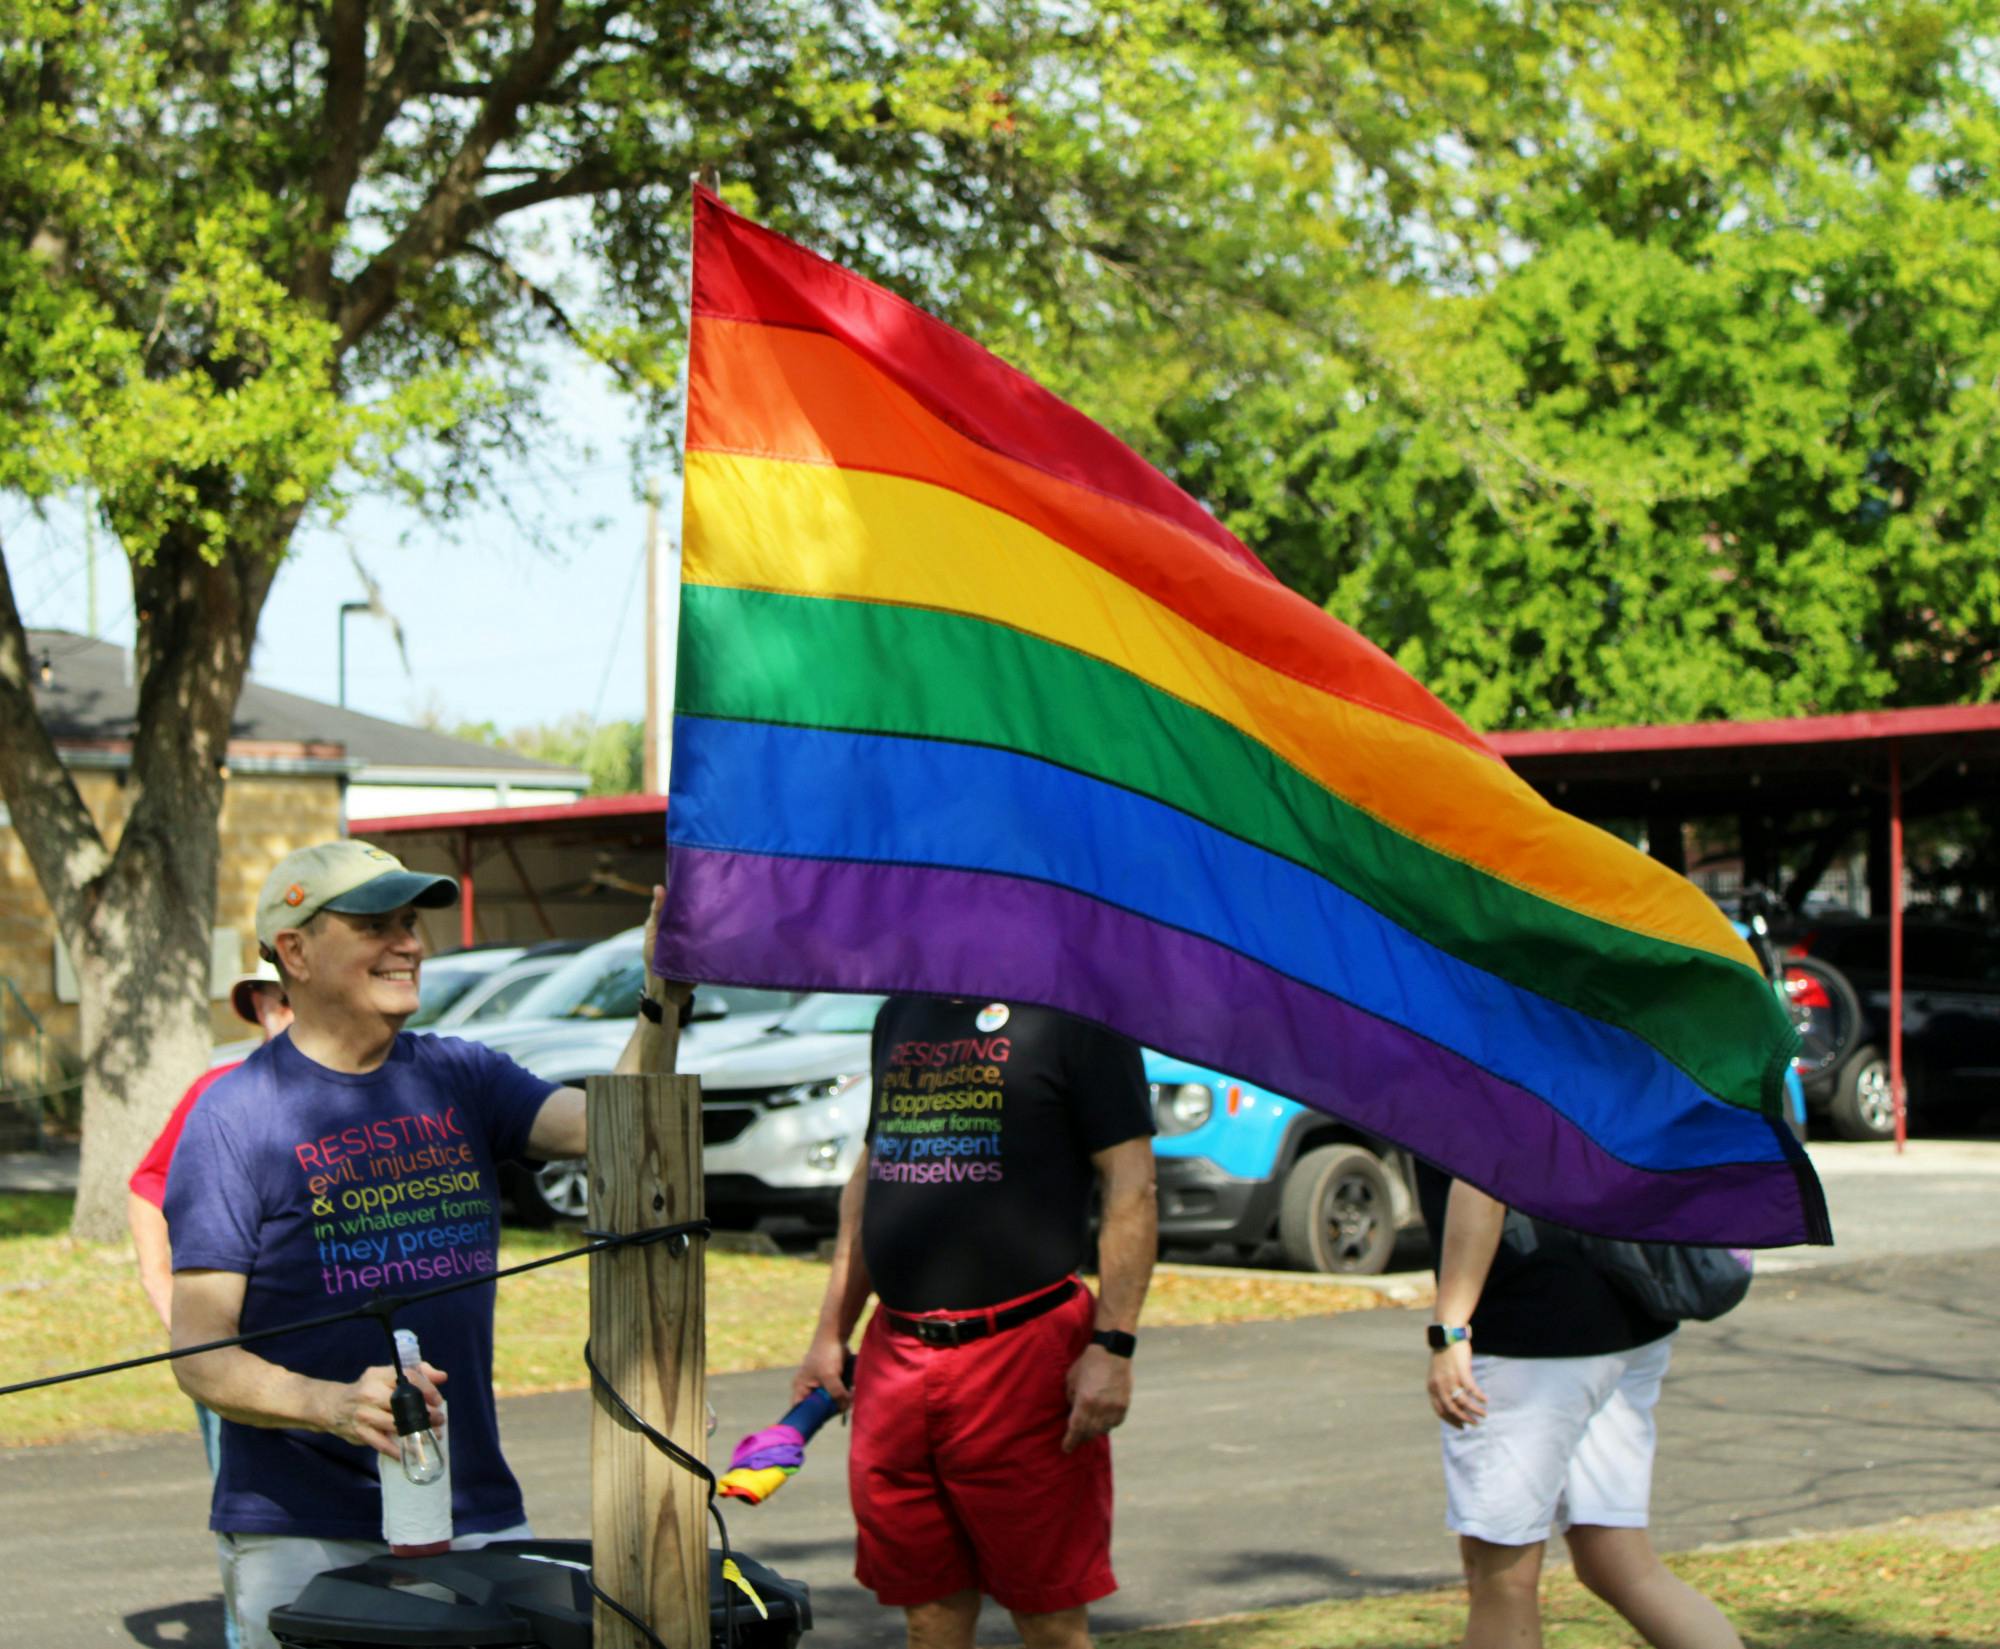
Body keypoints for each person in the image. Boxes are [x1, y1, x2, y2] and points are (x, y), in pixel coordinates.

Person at [164, 841, 678, 1649]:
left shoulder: (460, 1076)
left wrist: (663, 992)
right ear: (293, 950)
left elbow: (623, 1131)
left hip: (469, 1511)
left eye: (410, 922)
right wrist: (330, 1405)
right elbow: (199, 1354)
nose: (409, 943)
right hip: (301, 1528)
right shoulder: (232, 1118)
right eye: (375, 924)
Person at [793, 995, 1156, 1649]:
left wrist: (1113, 1342)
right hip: (897, 1357)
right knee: (927, 1612)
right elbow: (872, 1177)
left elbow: (1132, 1185)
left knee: (1048, 1617)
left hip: (1025, 1355)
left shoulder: (1079, 1012)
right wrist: (830, 1333)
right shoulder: (901, 1012)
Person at [1418, 1165, 1746, 1649]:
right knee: (1617, 1562)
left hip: (1533, 1341)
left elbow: (1483, 1182)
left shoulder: (1477, 1084)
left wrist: (1449, 1329)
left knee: (1502, 1577)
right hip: (1627, 1314)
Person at [128, 961, 295, 1649]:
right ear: (259, 1005)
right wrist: (165, 1292)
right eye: (277, 1000)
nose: (289, 1014)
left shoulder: (365, 1091)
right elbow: (148, 1180)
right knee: (252, 1518)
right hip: (235, 1351)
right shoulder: (219, 1091)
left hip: (333, 1349)